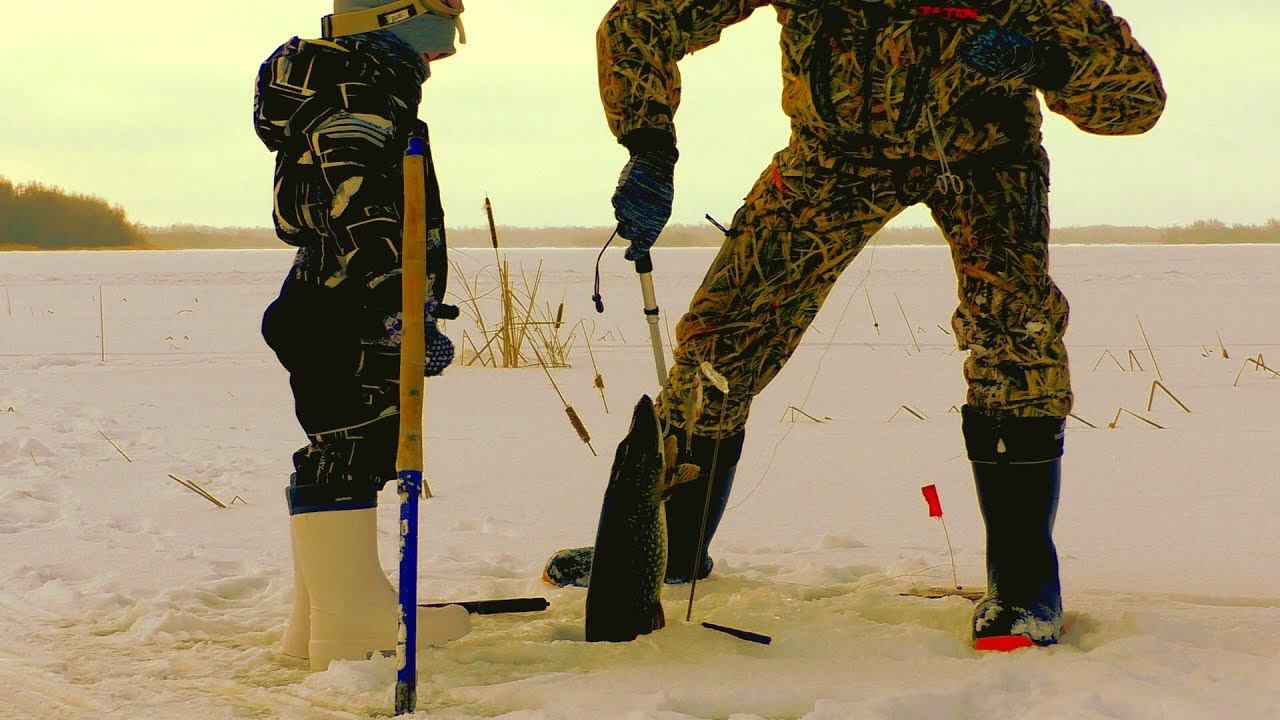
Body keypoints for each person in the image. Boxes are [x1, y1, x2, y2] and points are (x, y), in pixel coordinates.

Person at [547, 0, 1164, 650]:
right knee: (721, 338)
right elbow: (643, 21)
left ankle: (1024, 586)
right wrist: (648, 144)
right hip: (834, 155)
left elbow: (1136, 100)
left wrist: (1046, 62)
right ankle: (664, 546)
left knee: (1016, 332)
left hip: (985, 156)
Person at [253, 0, 472, 671]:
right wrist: (397, 308)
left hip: (327, 300)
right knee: (357, 444)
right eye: (442, 21)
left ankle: (318, 617)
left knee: (340, 447)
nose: (445, 46)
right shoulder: (359, 92)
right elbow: (362, 205)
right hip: (350, 308)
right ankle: (354, 624)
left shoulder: (351, 84)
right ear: (391, 15)